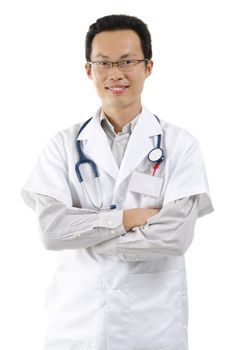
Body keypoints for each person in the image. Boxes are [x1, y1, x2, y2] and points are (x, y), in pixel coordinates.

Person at [22, 14, 214, 350]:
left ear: (148, 66)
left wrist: (88, 237)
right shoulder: (62, 145)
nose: (115, 73)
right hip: (76, 326)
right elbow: (51, 230)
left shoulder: (180, 145)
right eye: (104, 63)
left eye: (127, 61)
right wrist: (125, 219)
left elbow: (174, 236)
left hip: (153, 327)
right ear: (88, 70)